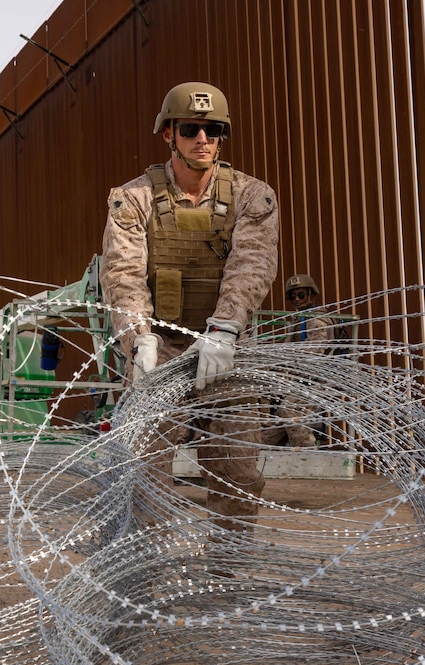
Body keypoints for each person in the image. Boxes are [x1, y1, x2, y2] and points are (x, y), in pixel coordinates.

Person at [100, 81, 279, 531]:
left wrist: (226, 329)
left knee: (237, 476)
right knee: (145, 473)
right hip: (160, 349)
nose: (204, 139)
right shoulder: (133, 199)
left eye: (214, 130)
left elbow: (251, 265)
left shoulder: (251, 196)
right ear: (169, 135)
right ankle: (144, 582)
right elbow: (123, 273)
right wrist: (137, 336)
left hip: (226, 350)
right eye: (191, 129)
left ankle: (227, 581)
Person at [261, 274, 333, 448]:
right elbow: (284, 348)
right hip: (302, 381)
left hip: (320, 380)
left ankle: (306, 454)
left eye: (301, 295)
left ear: (311, 295)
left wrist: (287, 363)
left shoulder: (318, 319)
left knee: (289, 410)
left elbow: (314, 351)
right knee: (269, 432)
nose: (297, 300)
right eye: (293, 296)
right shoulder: (298, 320)